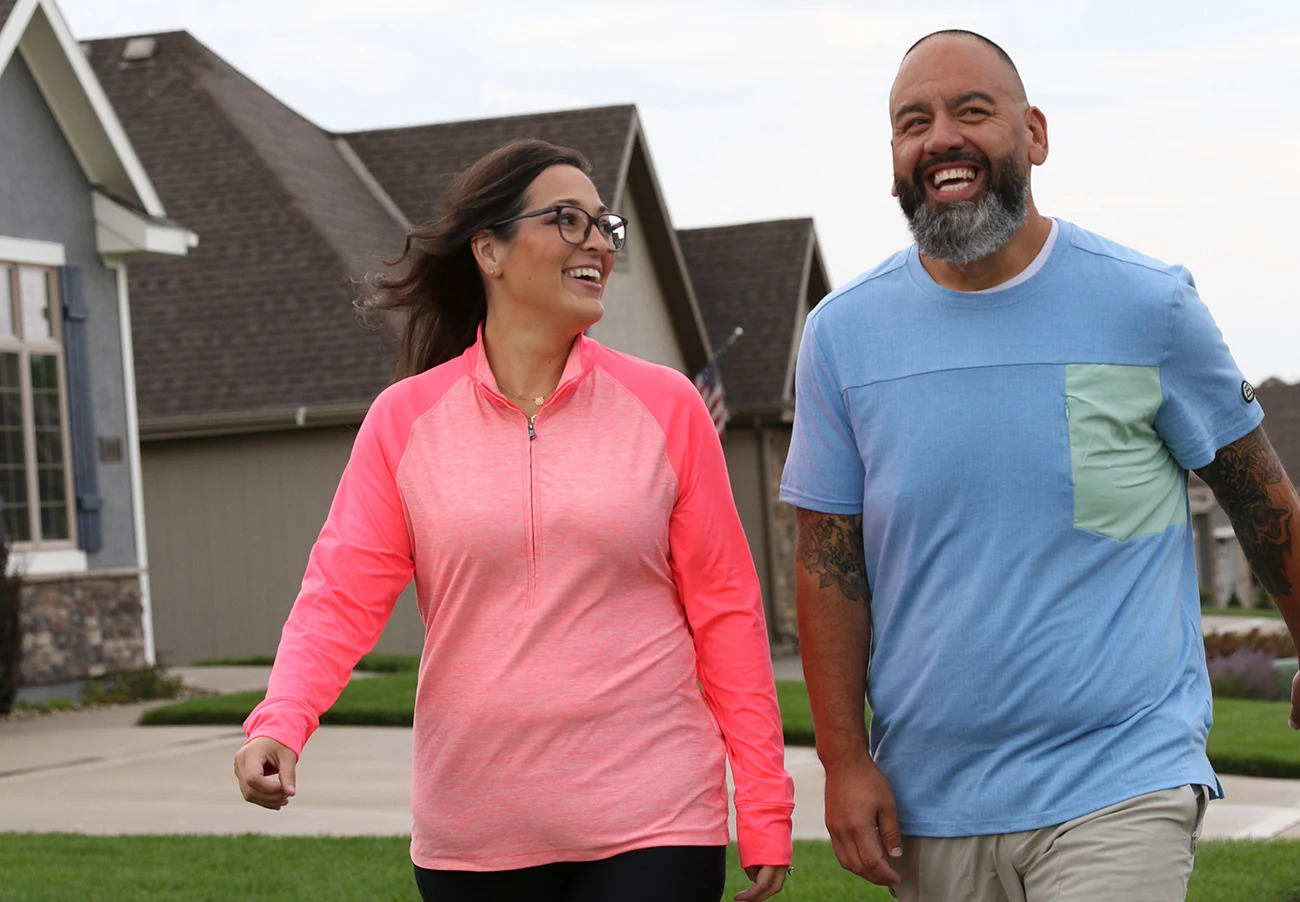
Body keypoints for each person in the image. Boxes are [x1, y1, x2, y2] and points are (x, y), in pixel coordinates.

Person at [781, 28, 1300, 902]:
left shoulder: (1149, 306)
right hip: (931, 798)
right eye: (914, 122)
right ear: (896, 158)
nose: (940, 136)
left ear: (1036, 136)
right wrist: (842, 760)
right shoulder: (842, 335)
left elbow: (1259, 501)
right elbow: (829, 561)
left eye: (971, 111)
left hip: (1121, 780)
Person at [233, 139, 794, 902]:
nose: (598, 241)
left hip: (654, 821)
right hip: (473, 835)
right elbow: (339, 594)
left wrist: (763, 803)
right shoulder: (404, 421)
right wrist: (281, 721)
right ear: (489, 250)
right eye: (568, 220)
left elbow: (727, 613)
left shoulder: (668, 408)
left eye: (605, 225)